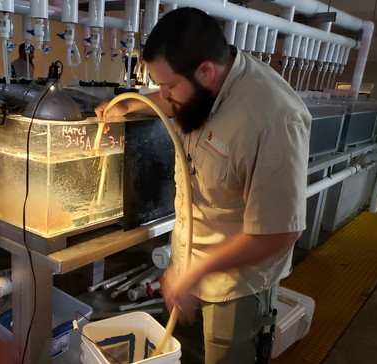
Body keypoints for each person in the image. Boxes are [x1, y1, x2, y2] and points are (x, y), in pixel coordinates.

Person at [95, 7, 311, 364]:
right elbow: (167, 99)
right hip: (187, 266)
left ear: (205, 71)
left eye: (168, 86)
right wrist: (128, 105)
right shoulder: (202, 87)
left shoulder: (274, 120)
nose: (164, 94)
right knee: (185, 354)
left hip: (235, 285)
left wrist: (197, 271)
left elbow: (279, 234)